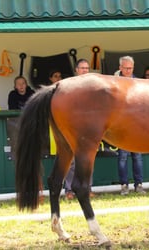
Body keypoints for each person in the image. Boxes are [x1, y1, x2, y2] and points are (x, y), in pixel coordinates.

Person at [115, 56, 146, 195]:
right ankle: (124, 185)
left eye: (131, 68)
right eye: (126, 68)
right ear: (120, 68)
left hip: (136, 124)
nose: (128, 71)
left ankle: (139, 184)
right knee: (122, 157)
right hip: (121, 125)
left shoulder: (138, 82)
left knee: (137, 157)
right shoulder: (114, 82)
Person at [64, 58, 94, 199]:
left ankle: (87, 188)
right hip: (73, 127)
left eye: (87, 68)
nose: (85, 71)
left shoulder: (94, 88)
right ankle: (69, 190)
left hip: (88, 128)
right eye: (82, 68)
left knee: (87, 159)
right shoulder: (71, 86)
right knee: (71, 161)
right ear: (76, 70)